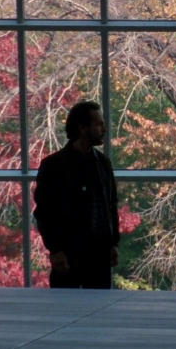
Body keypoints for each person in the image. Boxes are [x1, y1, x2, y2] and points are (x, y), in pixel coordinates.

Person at [34, 100, 120, 289]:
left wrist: (113, 243)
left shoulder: (103, 163)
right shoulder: (53, 166)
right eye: (99, 124)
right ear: (82, 128)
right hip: (69, 255)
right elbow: (45, 213)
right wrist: (56, 250)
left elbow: (111, 205)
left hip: (98, 256)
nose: (104, 129)